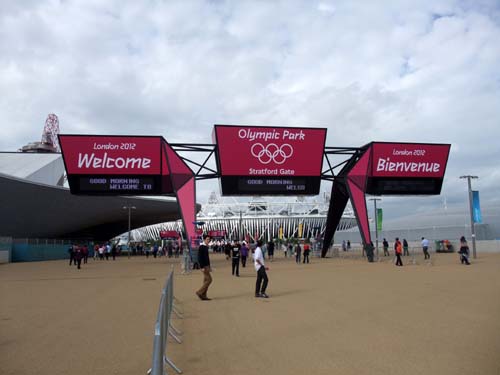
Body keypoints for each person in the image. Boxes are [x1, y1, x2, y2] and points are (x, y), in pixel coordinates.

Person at [196, 234, 213, 301]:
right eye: (207, 239)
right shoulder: (201, 247)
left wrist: (209, 266)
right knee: (209, 280)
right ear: (204, 239)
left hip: (207, 266)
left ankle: (204, 295)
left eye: (209, 239)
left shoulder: (206, 247)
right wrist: (202, 266)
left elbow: (207, 258)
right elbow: (199, 258)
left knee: (206, 280)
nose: (208, 240)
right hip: (204, 266)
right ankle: (199, 292)